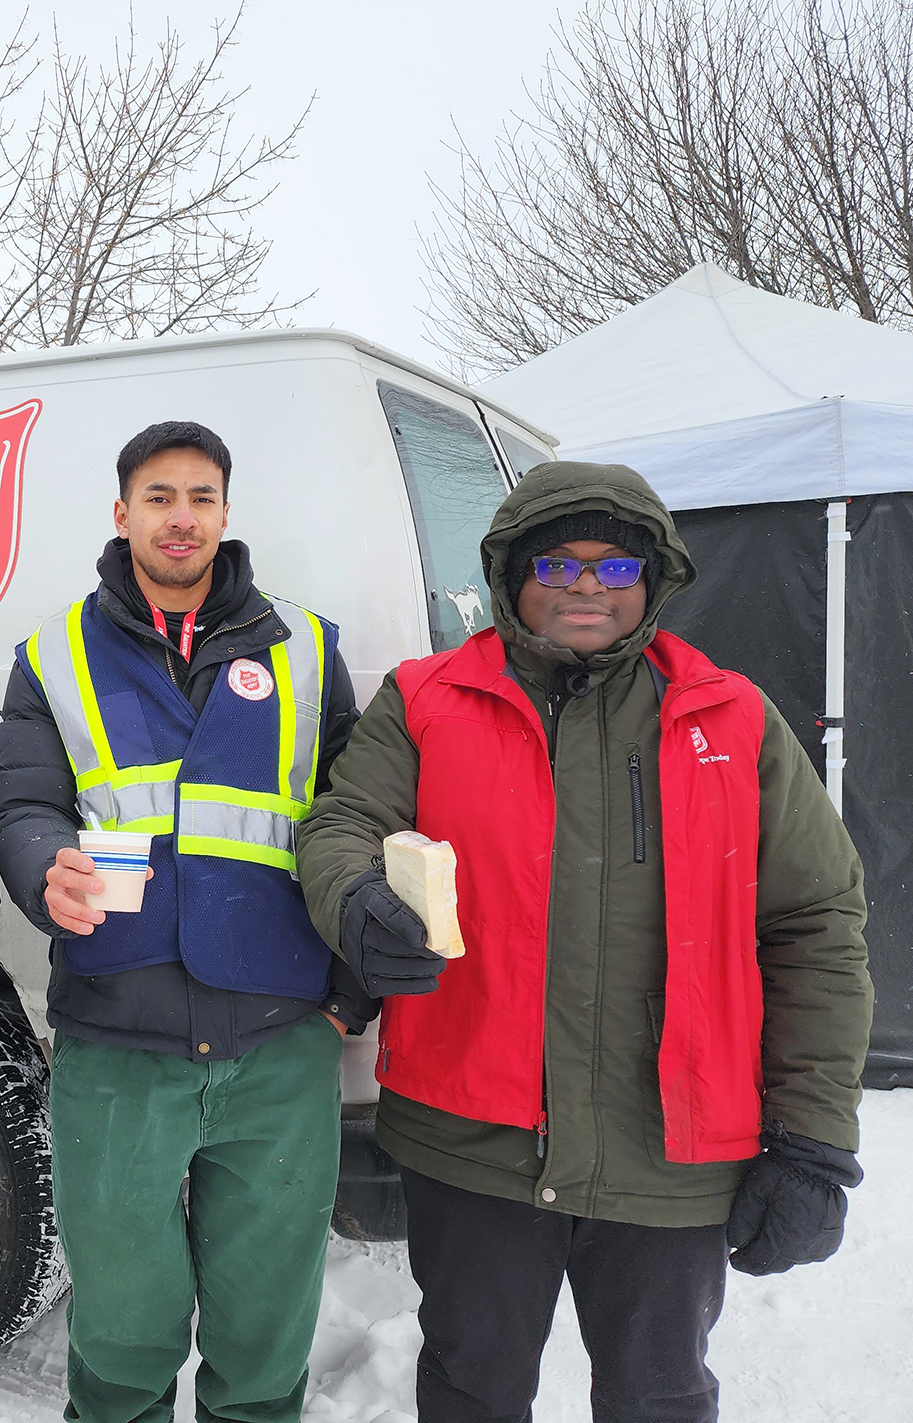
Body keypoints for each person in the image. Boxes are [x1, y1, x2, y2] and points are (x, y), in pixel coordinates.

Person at [296, 460, 873, 1423]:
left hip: (671, 1151)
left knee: (660, 1396)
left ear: (652, 583)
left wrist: (813, 1139)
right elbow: (343, 820)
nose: (584, 587)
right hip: (472, 1139)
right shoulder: (425, 699)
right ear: (513, 574)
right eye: (558, 563)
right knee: (471, 1387)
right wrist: (356, 896)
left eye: (614, 569)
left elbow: (816, 924)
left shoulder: (731, 720)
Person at [0, 421, 366, 1423]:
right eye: (158, 497)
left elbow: (362, 820)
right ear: (122, 514)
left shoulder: (307, 647)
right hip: (119, 1042)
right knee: (118, 1330)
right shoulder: (54, 654)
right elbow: (23, 806)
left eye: (200, 497)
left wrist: (347, 999)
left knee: (265, 1327)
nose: (180, 517)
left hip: (279, 1041)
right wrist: (40, 871)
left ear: (226, 513)